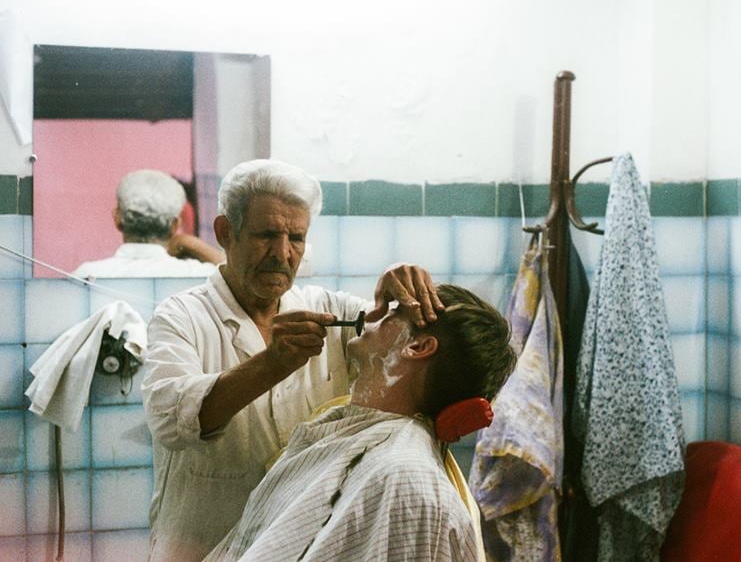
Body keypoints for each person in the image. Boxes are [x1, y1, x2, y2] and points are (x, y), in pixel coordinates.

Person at [141, 159, 445, 562]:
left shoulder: (329, 309)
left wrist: (397, 284)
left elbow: (393, 333)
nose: (282, 254)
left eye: (296, 238)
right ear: (225, 233)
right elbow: (169, 419)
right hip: (200, 546)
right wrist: (271, 363)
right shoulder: (181, 317)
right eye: (266, 235)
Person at [204, 283, 516, 562]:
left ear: (417, 347)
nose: (371, 316)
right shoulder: (347, 438)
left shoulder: (408, 482)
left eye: (393, 314)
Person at [73, 169, 224, 278]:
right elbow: (236, 273)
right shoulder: (198, 276)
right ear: (175, 225)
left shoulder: (86, 275)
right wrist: (187, 242)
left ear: (117, 218)